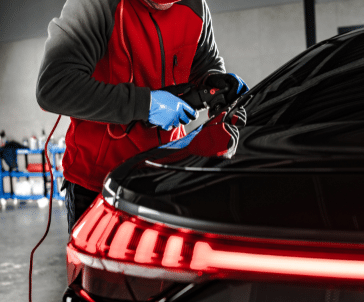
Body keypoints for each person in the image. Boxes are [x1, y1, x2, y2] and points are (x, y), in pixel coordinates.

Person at [36, 0, 248, 232]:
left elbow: (205, 63)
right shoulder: (96, 4)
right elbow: (54, 87)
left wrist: (213, 80)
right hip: (100, 183)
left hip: (169, 174)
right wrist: (145, 105)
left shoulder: (195, 6)